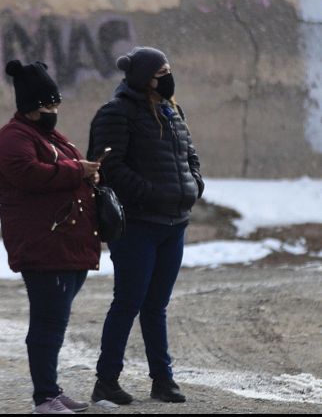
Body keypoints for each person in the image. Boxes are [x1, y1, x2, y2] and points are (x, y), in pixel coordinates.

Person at [87, 46, 204, 405]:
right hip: (137, 225)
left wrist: (193, 185)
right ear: (143, 78)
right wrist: (151, 193)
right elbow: (109, 167)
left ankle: (162, 380)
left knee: (156, 305)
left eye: (168, 70)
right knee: (128, 302)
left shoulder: (173, 111)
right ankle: (106, 381)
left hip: (174, 223)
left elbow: (189, 156)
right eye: (161, 73)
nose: (168, 78)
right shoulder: (116, 113)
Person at [0, 60, 102, 414]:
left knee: (56, 321)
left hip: (65, 244)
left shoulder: (49, 137)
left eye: (55, 105)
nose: (53, 112)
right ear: (31, 106)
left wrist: (89, 175)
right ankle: (44, 398)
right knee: (47, 322)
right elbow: (28, 174)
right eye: (47, 106)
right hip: (42, 244)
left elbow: (64, 171)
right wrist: (77, 170)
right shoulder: (12, 139)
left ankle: (52, 390)